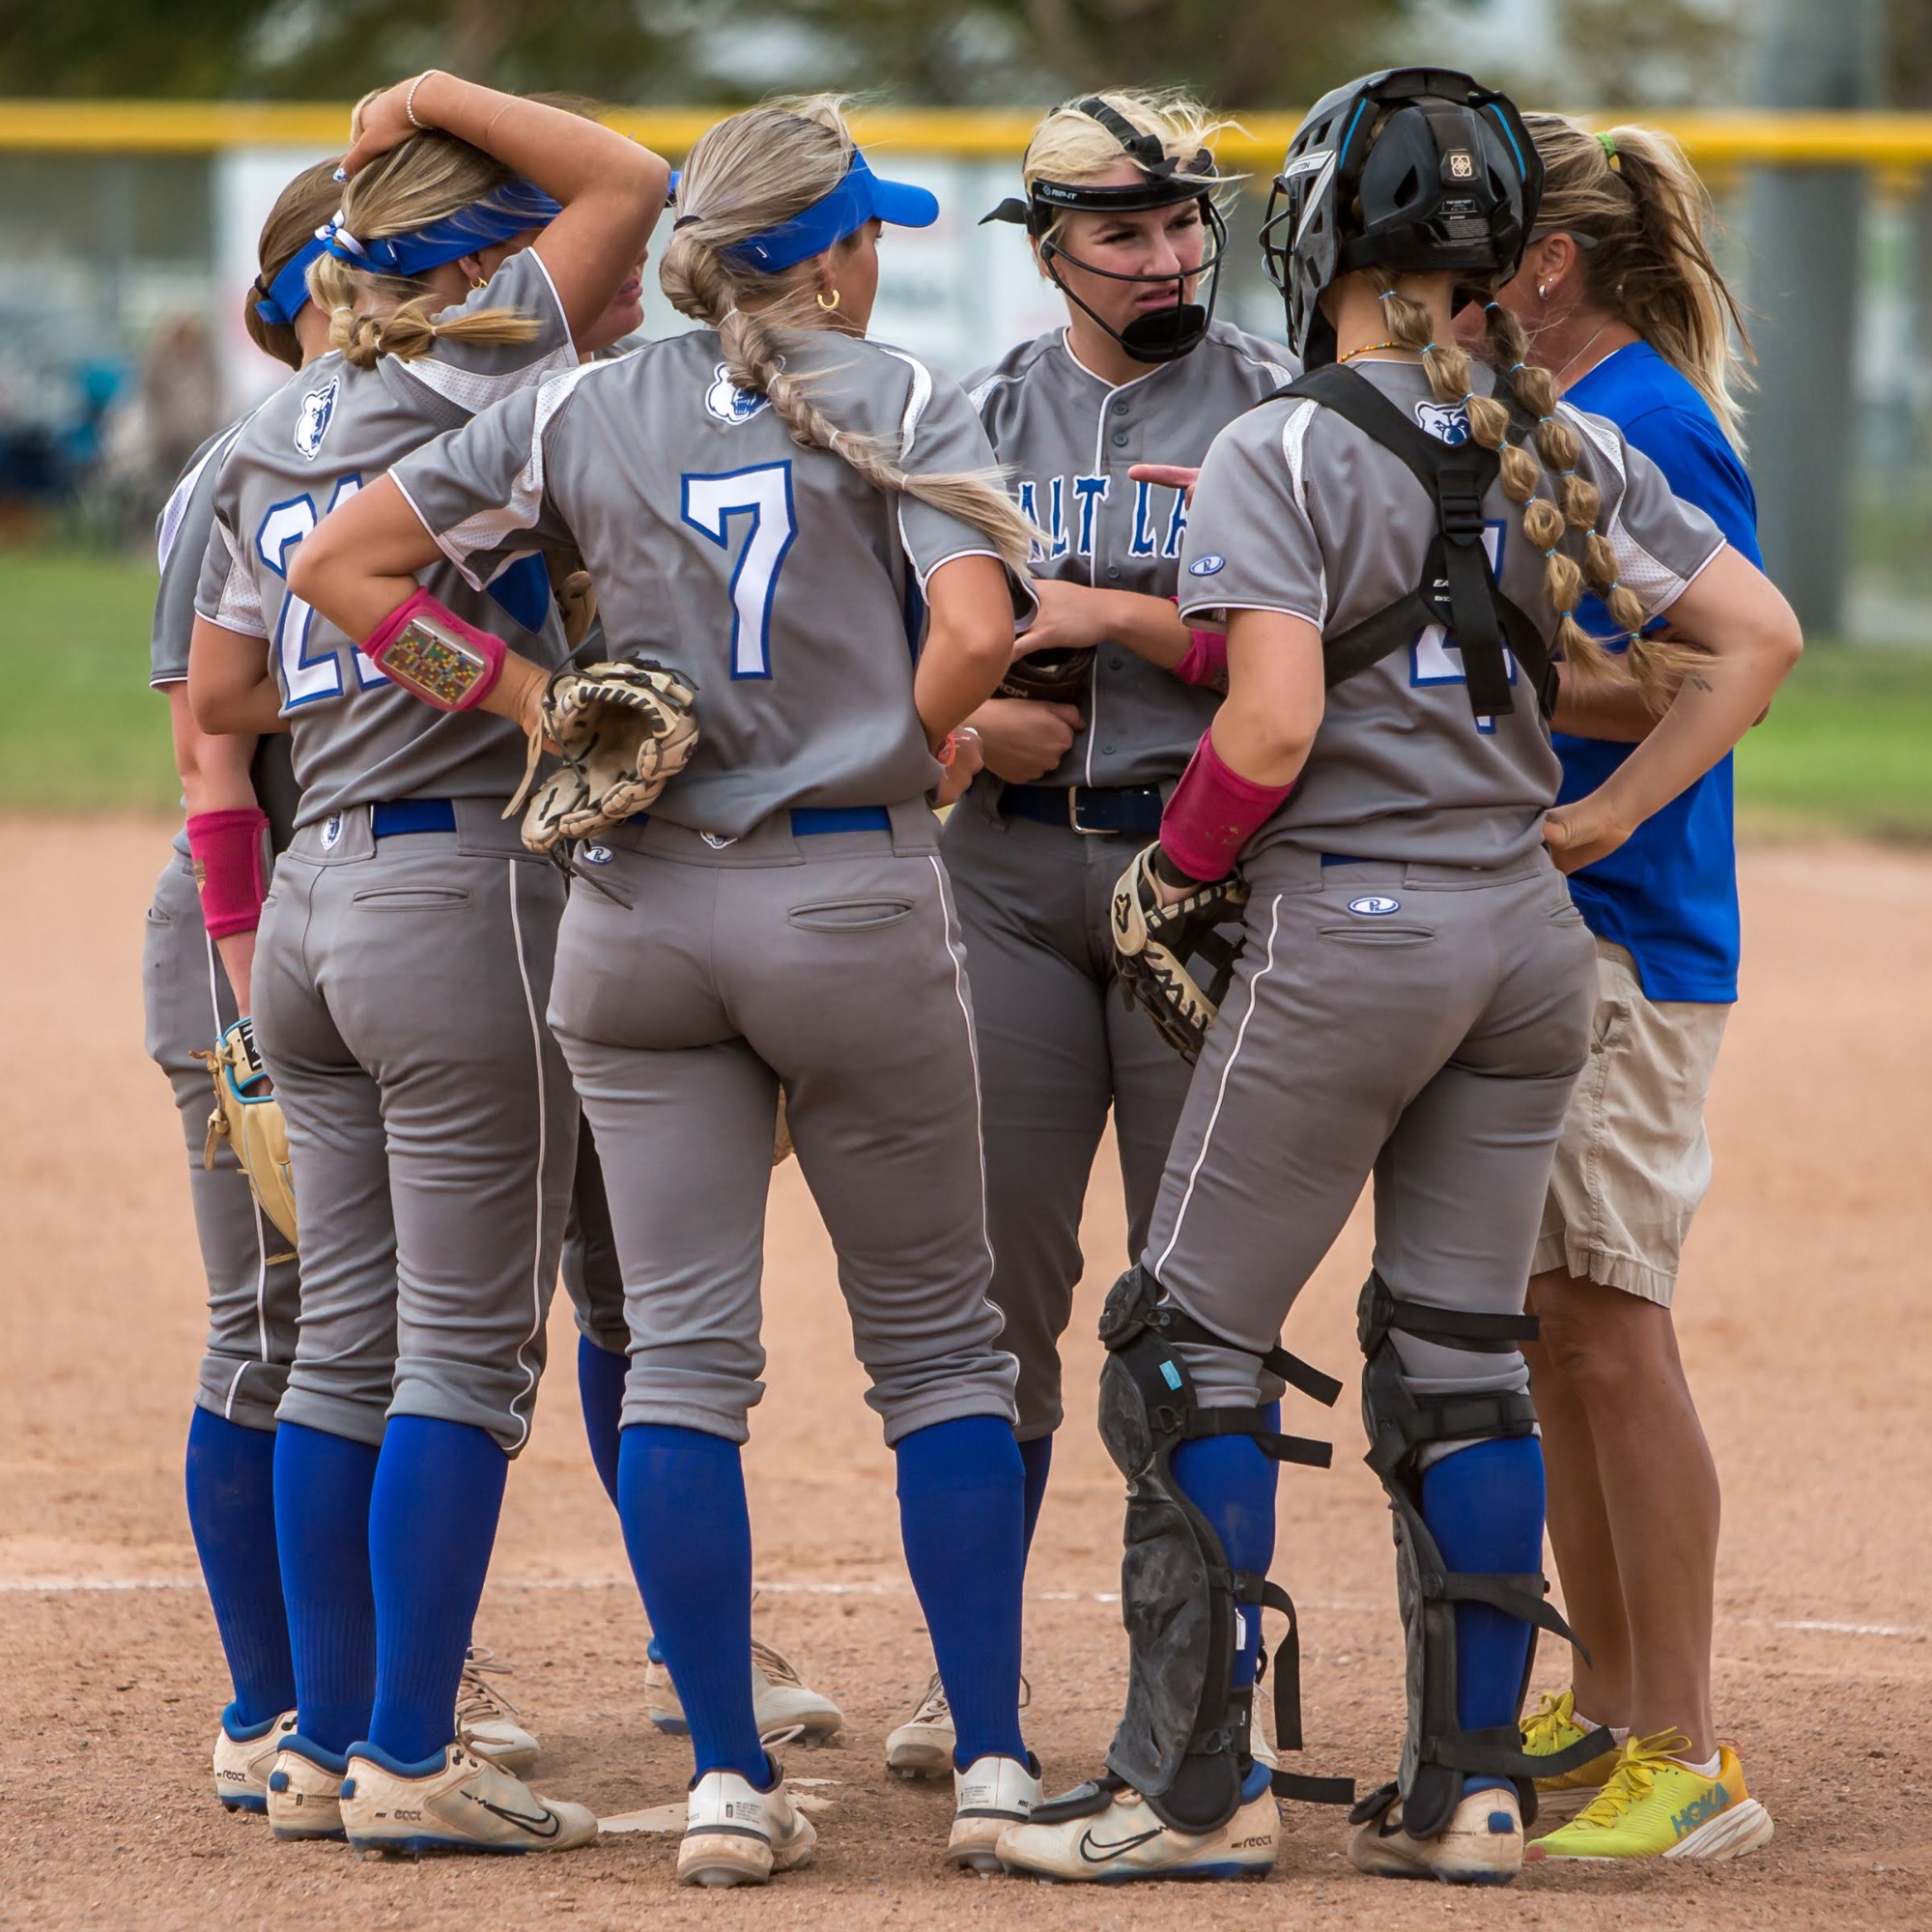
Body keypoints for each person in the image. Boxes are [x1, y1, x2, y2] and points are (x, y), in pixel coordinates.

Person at [993, 67, 1800, 1888]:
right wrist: (1598, 830)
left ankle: (1191, 1793)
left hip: (1350, 924)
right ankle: (1476, 1795)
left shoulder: (1280, 441)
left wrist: (1173, 874)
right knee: (1462, 1357)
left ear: (1322, 239)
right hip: (1525, 941)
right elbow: (1759, 637)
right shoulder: (1555, 433)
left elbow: (1267, 728)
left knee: (1182, 1341)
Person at [291, 96, 1042, 1889]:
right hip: (850, 893)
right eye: (870, 230)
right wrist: (914, 749)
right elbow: (984, 631)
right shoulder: (905, 393)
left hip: (635, 910)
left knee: (689, 1364)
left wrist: (531, 705)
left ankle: (721, 1777)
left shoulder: (568, 402)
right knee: (938, 1348)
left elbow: (340, 570)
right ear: (837, 250)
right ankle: (999, 1764)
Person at [186, 71, 668, 1855]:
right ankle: (405, 1753)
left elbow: (235, 692)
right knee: (467, 1360)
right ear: (484, 262)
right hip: (460, 896)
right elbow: (632, 172)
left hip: (311, 901)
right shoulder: (495, 382)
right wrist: (436, 99)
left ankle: (319, 1744)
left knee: (340, 1358)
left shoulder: (270, 430)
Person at [882, 90, 1297, 1778]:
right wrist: (972, 736)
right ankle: (969, 1680)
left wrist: (1126, 629)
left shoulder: (1281, 408)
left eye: (1187, 223)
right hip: (1006, 877)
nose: (1167, 256)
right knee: (996, 1297)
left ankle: (1192, 1687)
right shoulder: (973, 417)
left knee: (1200, 1302)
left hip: (1206, 883)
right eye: (1124, 231)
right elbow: (875, 676)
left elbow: (1319, 664)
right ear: (1047, 244)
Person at [1487, 114, 1774, 1864]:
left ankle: (1683, 1745)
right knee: (1552, 1332)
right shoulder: (1560, 405)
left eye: (1474, 250)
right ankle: (1605, 1706)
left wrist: (1577, 795)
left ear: (1548, 265)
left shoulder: (1644, 416)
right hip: (1573, 930)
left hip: (1631, 930)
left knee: (1611, 1324)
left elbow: (1718, 665)